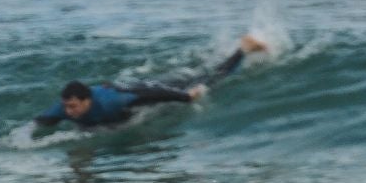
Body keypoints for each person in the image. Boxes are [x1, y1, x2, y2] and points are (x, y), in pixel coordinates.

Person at [33, 34, 268, 129]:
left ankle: (243, 48)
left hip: (148, 90)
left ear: (87, 101)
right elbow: (43, 121)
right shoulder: (64, 109)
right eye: (66, 106)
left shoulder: (113, 102)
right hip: (132, 92)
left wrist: (186, 98)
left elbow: (149, 94)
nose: (68, 110)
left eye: (73, 106)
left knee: (211, 79)